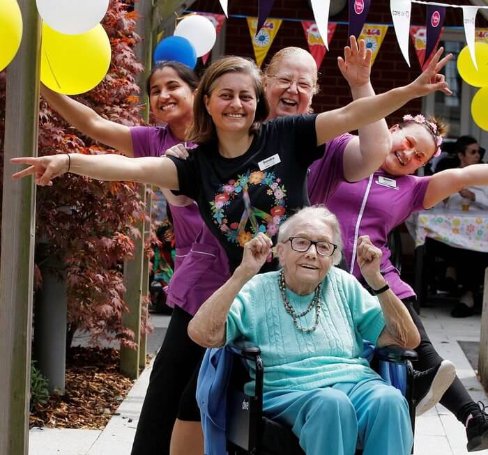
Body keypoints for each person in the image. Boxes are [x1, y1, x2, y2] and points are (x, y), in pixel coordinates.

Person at [13, 50, 450, 452]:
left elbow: (356, 114)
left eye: (245, 96)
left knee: (342, 401)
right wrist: (68, 162)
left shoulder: (288, 135)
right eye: (226, 95)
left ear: (256, 101)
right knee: (190, 393)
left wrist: (411, 91)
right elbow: (130, 166)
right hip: (242, 294)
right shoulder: (192, 162)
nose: (236, 104)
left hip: (300, 287)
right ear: (207, 102)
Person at [39, 62, 213, 455]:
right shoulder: (155, 140)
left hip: (240, 272)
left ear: (196, 90)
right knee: (171, 381)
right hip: (196, 279)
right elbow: (96, 125)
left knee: (209, 382)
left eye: (173, 86)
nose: (164, 95)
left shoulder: (223, 134)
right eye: (155, 90)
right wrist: (42, 86)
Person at [308, 114, 488, 452]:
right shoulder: (342, 151)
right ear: (391, 130)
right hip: (319, 276)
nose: (409, 155)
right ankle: (418, 392)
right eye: (407, 142)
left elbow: (466, 174)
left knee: (419, 345)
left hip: (376, 277)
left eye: (419, 156)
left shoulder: (414, 189)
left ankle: (471, 419)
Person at [188, 206, 420, 455]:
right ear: (281, 250)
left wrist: (377, 281)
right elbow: (202, 334)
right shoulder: (256, 289)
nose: (311, 253)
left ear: (333, 258)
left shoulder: (344, 285)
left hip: (356, 384)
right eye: (301, 243)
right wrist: (241, 274)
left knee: (390, 401)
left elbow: (406, 339)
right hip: (287, 390)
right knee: (332, 404)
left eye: (323, 247)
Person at [429, 135, 488, 318]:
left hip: (478, 235)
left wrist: (474, 197)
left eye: (478, 152)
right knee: (436, 243)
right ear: (461, 156)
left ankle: (467, 294)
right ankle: (451, 277)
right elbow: (434, 207)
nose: (477, 155)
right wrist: (444, 198)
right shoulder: (450, 176)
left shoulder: (484, 175)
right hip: (450, 234)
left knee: (474, 249)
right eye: (472, 152)